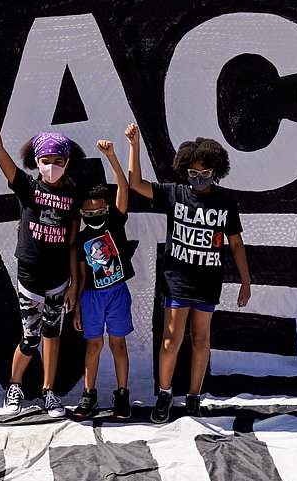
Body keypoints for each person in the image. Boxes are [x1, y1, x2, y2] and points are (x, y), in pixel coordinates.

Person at [125, 123, 251, 423]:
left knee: (200, 339)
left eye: (205, 173)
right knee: (171, 340)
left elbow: (236, 243)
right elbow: (135, 184)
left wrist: (246, 282)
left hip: (208, 282)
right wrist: (134, 146)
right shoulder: (175, 193)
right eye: (193, 173)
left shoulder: (224, 201)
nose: (198, 178)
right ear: (184, 171)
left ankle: (194, 397)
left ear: (216, 171)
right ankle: (165, 394)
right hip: (176, 281)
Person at [0, 84, 83, 416]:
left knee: (53, 335)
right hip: (29, 277)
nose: (51, 166)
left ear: (67, 162)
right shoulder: (28, 187)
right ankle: (15, 386)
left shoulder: (74, 194)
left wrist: (74, 286)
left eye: (57, 160)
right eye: (45, 160)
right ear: (36, 162)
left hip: (59, 280)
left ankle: (49, 391)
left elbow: (72, 242)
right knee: (30, 337)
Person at [72, 140, 134, 420]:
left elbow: (123, 187)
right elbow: (81, 274)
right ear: (81, 213)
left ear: (107, 209)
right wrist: (76, 307)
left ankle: (122, 394)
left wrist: (111, 155)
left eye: (99, 212)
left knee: (118, 344)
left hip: (118, 292)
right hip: (92, 297)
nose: (94, 217)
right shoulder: (82, 238)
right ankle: (89, 393)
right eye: (88, 214)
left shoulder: (116, 223)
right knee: (93, 345)